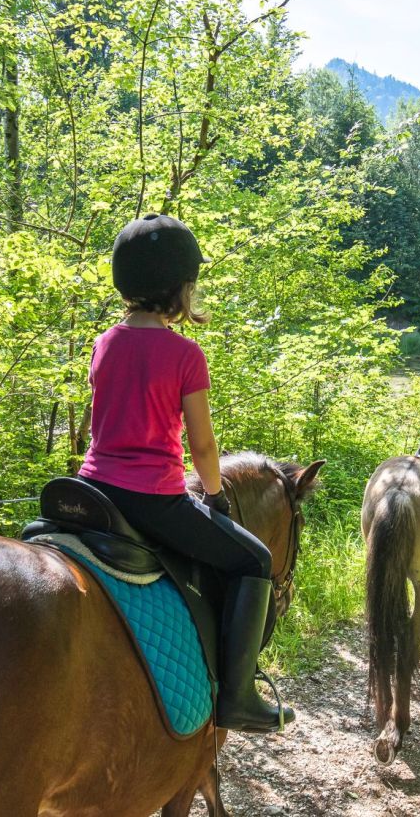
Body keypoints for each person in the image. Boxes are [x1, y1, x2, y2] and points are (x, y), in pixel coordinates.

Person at [76, 213, 292, 734]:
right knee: (254, 560)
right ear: (180, 289)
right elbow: (202, 444)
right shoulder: (185, 354)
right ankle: (239, 697)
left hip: (89, 490)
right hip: (152, 499)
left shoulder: (105, 342)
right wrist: (215, 496)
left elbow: (91, 426)